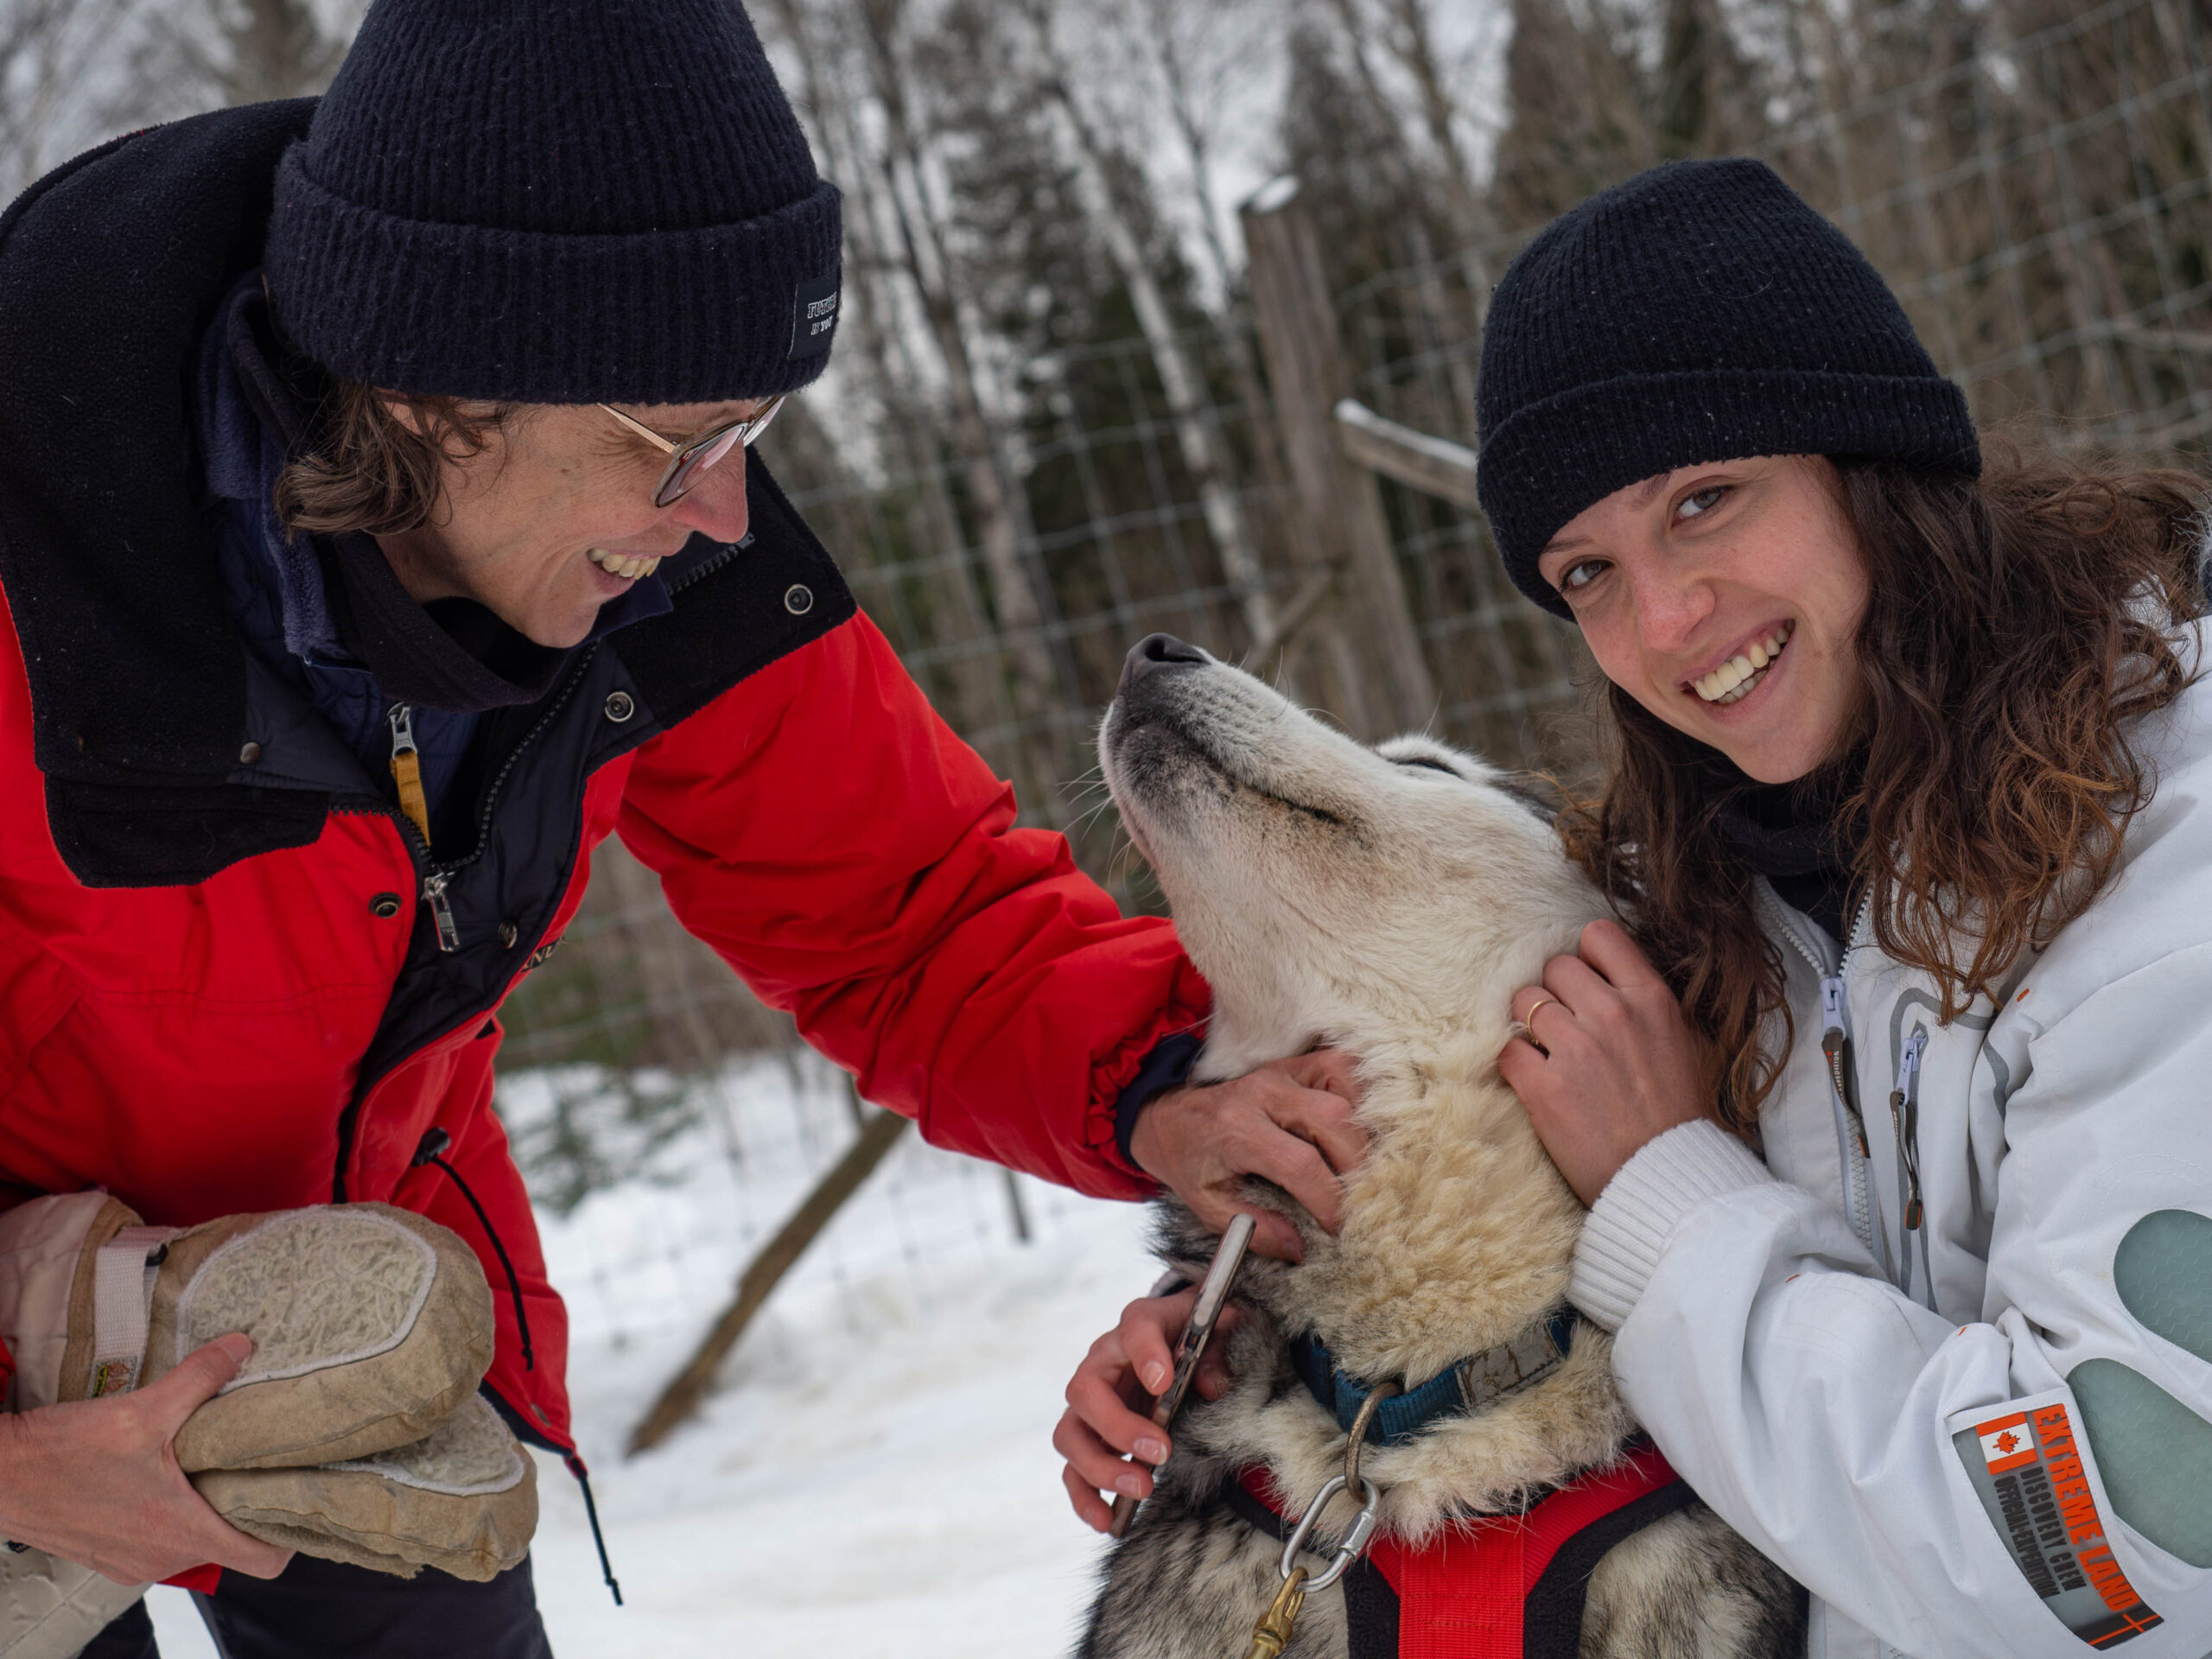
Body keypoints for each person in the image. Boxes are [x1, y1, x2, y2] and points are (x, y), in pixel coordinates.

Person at [0, 2, 1363, 1653]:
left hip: (353, 1314)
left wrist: (1170, 1086)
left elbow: (907, 912)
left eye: (753, 433)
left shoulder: (651, 544)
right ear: (435, 394)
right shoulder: (43, 563)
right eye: (678, 444)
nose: (722, 512)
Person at [1056, 157, 2212, 1657]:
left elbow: (2133, 1541)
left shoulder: (2168, 844)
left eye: (1707, 499)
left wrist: (1671, 1199)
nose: (1664, 623)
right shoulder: (1732, 888)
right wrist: (1272, 1373)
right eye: (1587, 569)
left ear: (1867, 458)